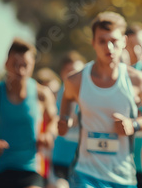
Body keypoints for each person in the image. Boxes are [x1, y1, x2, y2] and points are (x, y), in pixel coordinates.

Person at [58, 11, 142, 188]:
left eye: (113, 41)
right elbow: (67, 97)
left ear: (123, 42)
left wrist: (133, 125)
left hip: (122, 177)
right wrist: (64, 118)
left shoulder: (136, 80)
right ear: (93, 43)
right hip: (85, 174)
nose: (109, 48)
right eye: (102, 41)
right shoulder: (76, 81)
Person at [0, 38, 57, 188]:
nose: (20, 70)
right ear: (6, 64)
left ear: (33, 65)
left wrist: (48, 134)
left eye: (25, 65)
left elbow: (54, 120)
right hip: (1, 169)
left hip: (31, 170)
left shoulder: (42, 94)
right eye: (15, 65)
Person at [50, 51, 86, 188]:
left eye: (77, 71)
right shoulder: (54, 95)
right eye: (69, 71)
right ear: (62, 74)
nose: (73, 75)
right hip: (61, 157)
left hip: (84, 159)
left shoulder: (90, 95)